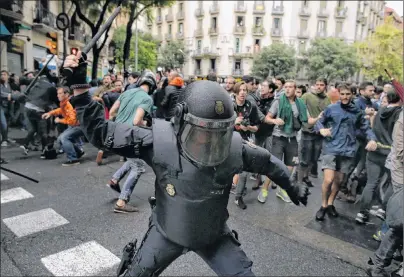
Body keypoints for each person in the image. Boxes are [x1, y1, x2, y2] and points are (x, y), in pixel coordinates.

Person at [64, 51, 309, 277]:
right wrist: (79, 86)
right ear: (181, 121)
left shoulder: (235, 149)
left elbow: (271, 165)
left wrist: (293, 188)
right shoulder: (158, 141)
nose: (212, 142)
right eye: (204, 132)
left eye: (219, 133)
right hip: (167, 232)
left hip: (212, 235)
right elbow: (101, 133)